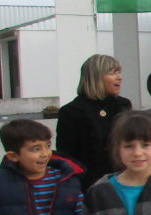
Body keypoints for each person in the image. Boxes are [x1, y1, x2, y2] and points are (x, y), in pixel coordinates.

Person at [56, 54, 131, 190]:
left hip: (123, 180)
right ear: (95, 77)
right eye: (112, 73)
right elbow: (67, 156)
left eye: (119, 72)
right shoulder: (72, 111)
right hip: (89, 184)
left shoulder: (123, 105)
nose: (119, 77)